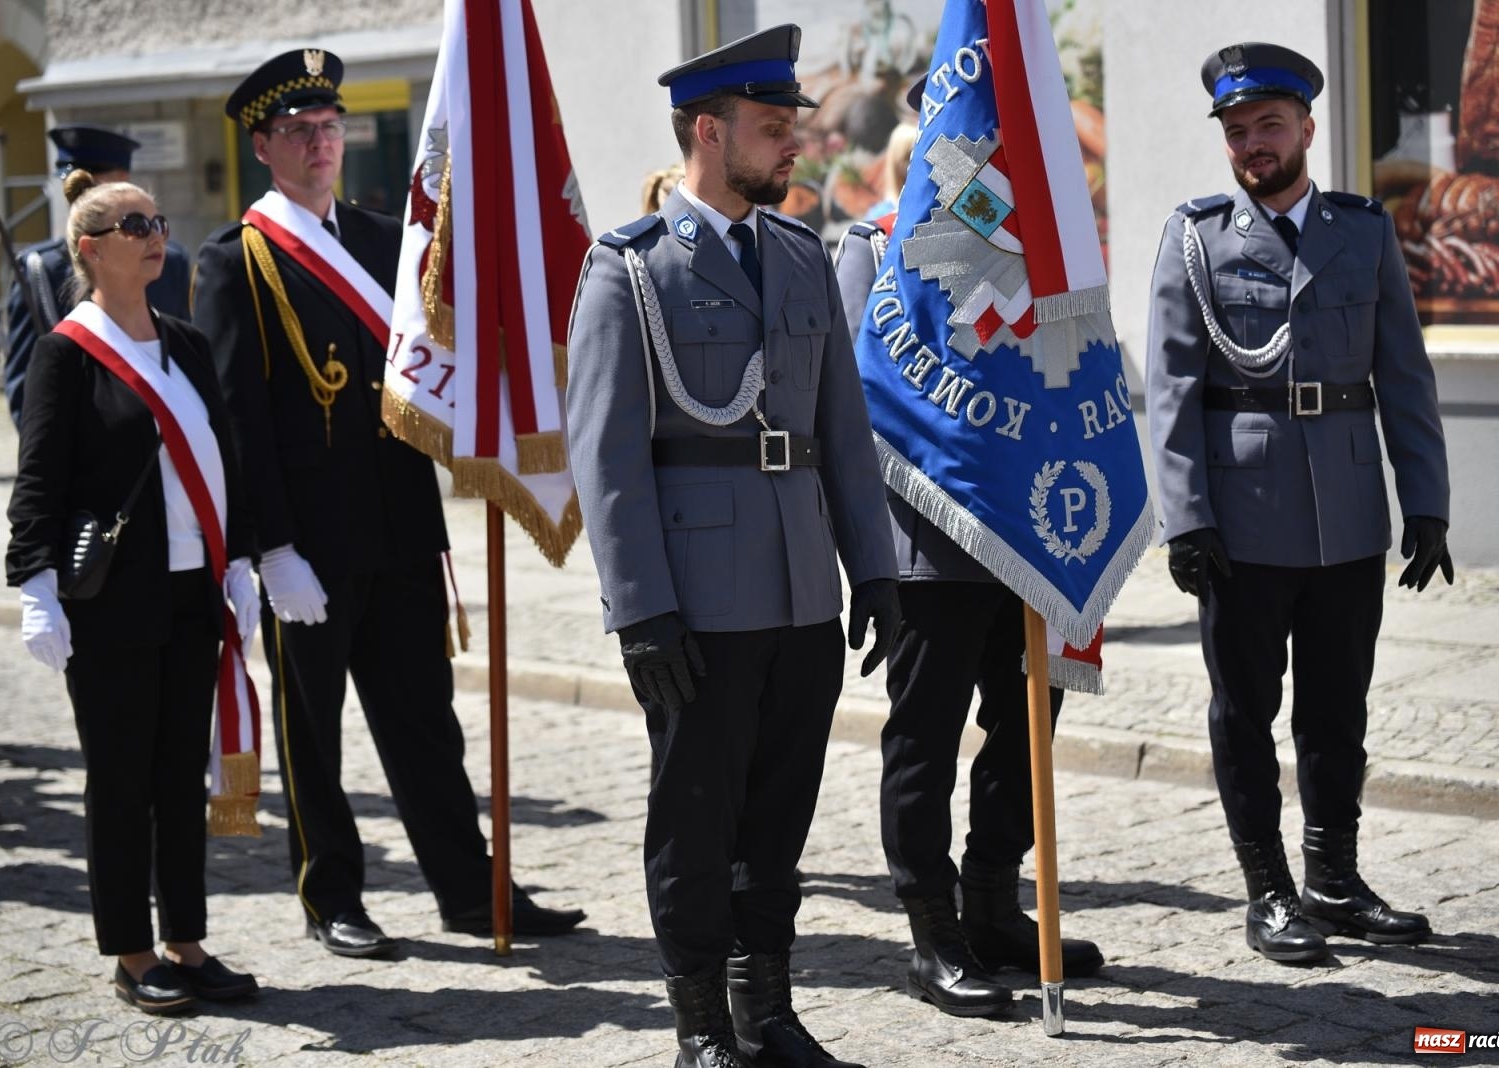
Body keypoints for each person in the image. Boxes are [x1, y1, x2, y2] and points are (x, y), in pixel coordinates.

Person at [191, 48, 583, 960]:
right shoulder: (237, 260)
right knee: (313, 734)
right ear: (263, 147)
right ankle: (331, 895)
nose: (320, 144)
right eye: (298, 132)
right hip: (312, 548)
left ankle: (469, 887)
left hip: (403, 528)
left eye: (330, 129)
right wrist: (268, 547)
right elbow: (236, 417)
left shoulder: (382, 241)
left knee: (425, 724)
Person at [566, 24, 900, 1068]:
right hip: (697, 600)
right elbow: (606, 454)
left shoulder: (800, 254)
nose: (792, 144)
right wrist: (639, 609)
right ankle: (700, 1026)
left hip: (801, 591)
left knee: (778, 821)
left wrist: (875, 570)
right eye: (770, 127)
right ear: (708, 132)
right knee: (696, 824)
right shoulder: (629, 269)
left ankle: (767, 1008)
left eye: (791, 123)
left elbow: (842, 431)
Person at [1144, 43, 1451, 965]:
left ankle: (1333, 879)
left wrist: (1426, 503)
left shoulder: (1361, 231)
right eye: (1237, 132)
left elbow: (1404, 375)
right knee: (1245, 710)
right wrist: (1187, 517)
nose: (1252, 144)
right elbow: (1171, 390)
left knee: (1337, 709)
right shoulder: (1195, 239)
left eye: (1268, 125)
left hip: (1349, 512)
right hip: (1243, 518)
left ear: (1307, 129)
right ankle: (1269, 892)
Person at [833, 81, 1103, 1019]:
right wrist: (863, 558)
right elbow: (850, 408)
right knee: (926, 736)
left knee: (1031, 725)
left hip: (1033, 530)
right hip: (928, 544)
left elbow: (1079, 376)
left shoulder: (1048, 247)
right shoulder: (871, 248)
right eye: (971, 133)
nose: (986, 147)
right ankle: (931, 927)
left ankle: (993, 897)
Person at [6, 172, 260, 1014]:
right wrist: (35, 585)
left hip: (194, 593)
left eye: (157, 219)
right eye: (134, 224)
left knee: (179, 774)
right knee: (120, 781)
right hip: (112, 602)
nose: (156, 233)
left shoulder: (183, 342)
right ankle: (131, 951)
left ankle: (186, 939)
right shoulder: (65, 354)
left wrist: (242, 562)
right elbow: (38, 481)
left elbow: (224, 457)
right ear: (90, 249)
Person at [4, 126, 193, 429]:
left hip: (169, 430)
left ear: (122, 180)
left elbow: (186, 356)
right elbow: (25, 386)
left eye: (95, 177)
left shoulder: (170, 262)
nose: (79, 188)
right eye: (72, 179)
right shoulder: (39, 268)